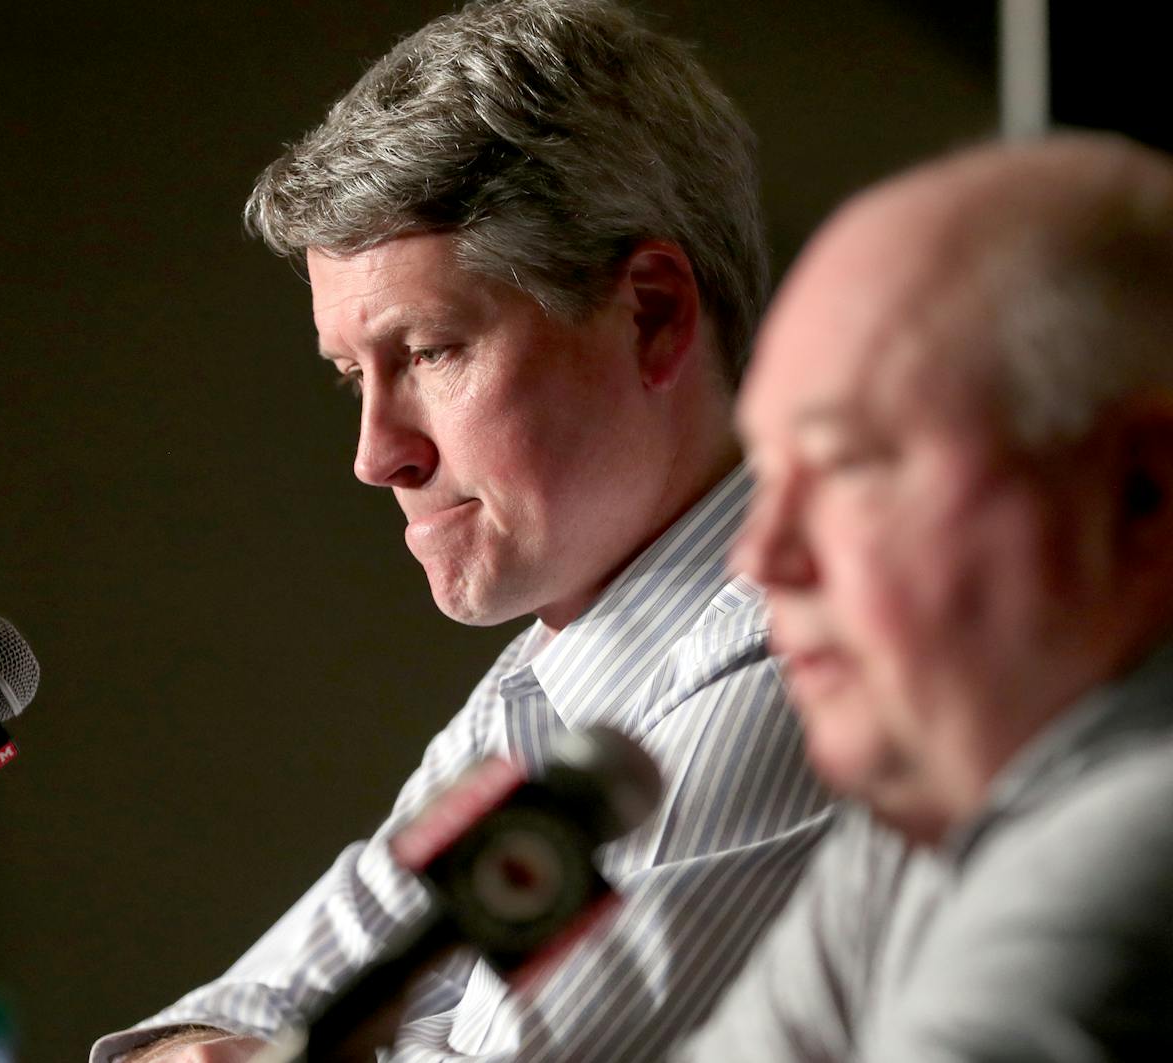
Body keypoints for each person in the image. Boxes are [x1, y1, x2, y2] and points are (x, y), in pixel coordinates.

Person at [91, 1, 834, 1061]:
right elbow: (233, 1017)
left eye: (431, 352)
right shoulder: (540, 692)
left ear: (654, 313)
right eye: (352, 376)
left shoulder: (806, 656)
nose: (375, 455)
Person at [679, 132, 1173, 1061]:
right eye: (766, 474)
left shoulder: (1143, 831)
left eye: (847, 463)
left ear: (1140, 494)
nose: (760, 557)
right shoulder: (910, 835)